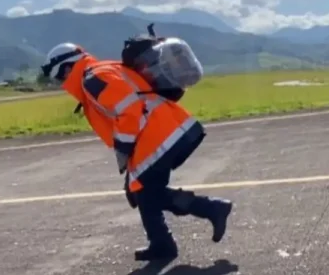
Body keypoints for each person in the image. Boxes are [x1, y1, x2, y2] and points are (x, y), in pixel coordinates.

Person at [40, 41, 234, 261]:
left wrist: (123, 148)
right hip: (166, 129)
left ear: (66, 67)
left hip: (158, 135)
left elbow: (129, 110)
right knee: (142, 193)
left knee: (148, 193)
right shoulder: (104, 69)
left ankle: (210, 209)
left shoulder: (92, 79)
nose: (61, 83)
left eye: (59, 77)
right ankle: (163, 243)